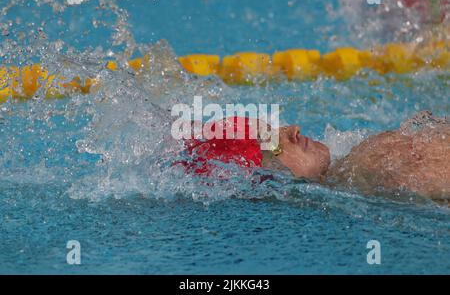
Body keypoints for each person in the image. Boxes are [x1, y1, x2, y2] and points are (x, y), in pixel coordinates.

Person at [181, 111, 450, 202]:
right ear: (269, 178)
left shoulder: (361, 169)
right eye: (273, 142)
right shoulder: (375, 169)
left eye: (275, 128)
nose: (293, 130)